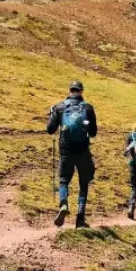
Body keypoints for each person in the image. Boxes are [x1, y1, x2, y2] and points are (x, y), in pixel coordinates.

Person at [47, 80, 98, 229]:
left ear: (69, 90)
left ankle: (63, 203)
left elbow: (50, 130)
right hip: (82, 150)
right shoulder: (88, 108)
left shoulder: (59, 107)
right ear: (81, 91)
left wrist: (52, 115)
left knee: (63, 180)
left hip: (66, 150)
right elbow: (93, 133)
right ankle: (80, 218)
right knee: (84, 182)